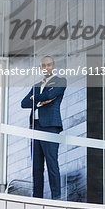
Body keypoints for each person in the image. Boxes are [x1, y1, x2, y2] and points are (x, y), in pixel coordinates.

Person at [21, 56, 66, 200]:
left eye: (49, 65)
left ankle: (56, 198)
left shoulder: (60, 81)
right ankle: (37, 198)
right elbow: (23, 103)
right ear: (41, 68)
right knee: (36, 166)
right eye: (43, 65)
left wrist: (35, 99)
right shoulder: (36, 85)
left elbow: (51, 94)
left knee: (52, 163)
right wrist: (41, 101)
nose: (46, 67)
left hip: (50, 126)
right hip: (35, 127)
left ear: (53, 66)